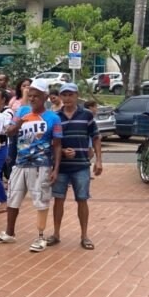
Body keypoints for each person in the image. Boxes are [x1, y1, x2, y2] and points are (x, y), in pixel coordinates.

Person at [0, 79, 62, 252]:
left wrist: (56, 168)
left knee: (41, 199)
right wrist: (18, 123)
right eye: (30, 96)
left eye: (37, 96)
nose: (32, 99)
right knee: (13, 196)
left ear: (45, 97)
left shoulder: (53, 118)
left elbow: (57, 145)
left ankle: (41, 237)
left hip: (41, 165)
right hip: (20, 163)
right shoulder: (21, 111)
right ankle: (9, 233)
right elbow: (9, 132)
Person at [47, 83, 102, 250]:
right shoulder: (55, 117)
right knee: (58, 200)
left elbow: (96, 137)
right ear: (60, 97)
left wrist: (99, 160)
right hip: (61, 166)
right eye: (64, 95)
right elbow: (51, 142)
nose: (67, 98)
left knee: (82, 199)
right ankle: (56, 233)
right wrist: (63, 151)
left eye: (70, 95)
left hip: (81, 165)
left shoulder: (86, 115)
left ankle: (84, 235)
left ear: (77, 95)